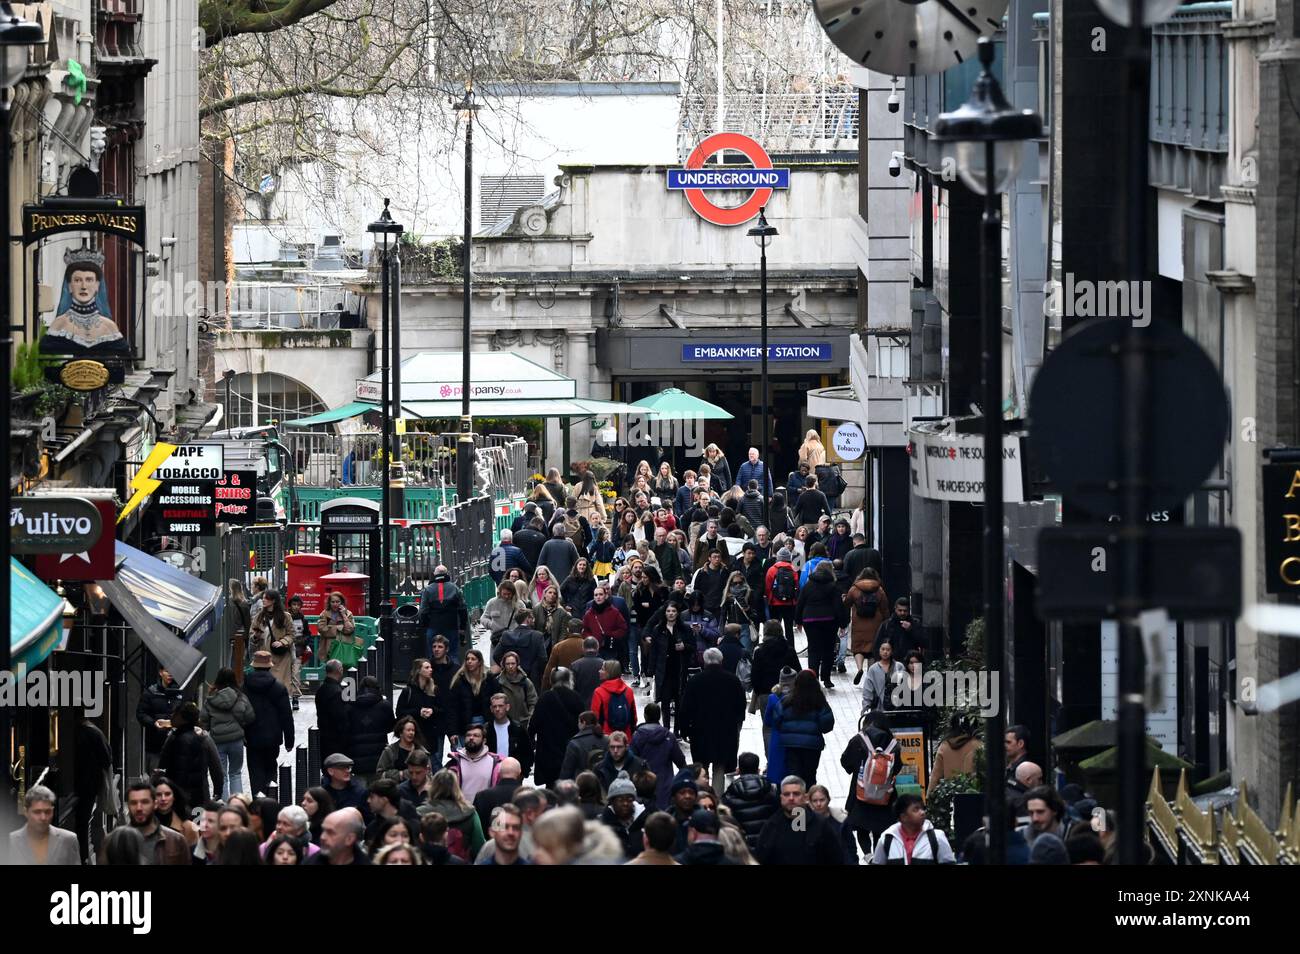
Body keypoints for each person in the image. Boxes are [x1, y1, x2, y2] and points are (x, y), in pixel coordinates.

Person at [678, 647, 747, 794]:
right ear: (721, 661)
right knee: (719, 767)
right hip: (725, 731)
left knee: (701, 766)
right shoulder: (732, 680)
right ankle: (716, 797)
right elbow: (740, 706)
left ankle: (702, 795)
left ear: (704, 661)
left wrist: (683, 729)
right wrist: (737, 724)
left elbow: (686, 707)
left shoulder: (695, 681)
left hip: (700, 731)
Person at [840, 712, 902, 856]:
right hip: (885, 795)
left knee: (862, 827)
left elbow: (845, 762)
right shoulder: (892, 743)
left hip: (861, 792)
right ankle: (879, 856)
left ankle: (868, 856)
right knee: (880, 829)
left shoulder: (858, 740)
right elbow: (897, 767)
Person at [752, 776, 847, 865]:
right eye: (786, 794)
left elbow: (836, 859)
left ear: (805, 797)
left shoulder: (820, 825)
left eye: (796, 794)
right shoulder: (771, 826)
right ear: (781, 798)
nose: (791, 798)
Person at [240, 651, 294, 796]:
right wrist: (290, 740)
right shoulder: (278, 687)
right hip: (273, 736)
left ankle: (257, 802)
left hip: (251, 736)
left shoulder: (245, 687)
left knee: (255, 769)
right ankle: (271, 797)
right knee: (271, 767)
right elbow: (286, 715)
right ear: (269, 666)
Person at [201, 667, 254, 800]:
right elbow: (250, 716)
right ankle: (238, 803)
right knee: (235, 773)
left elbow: (204, 721)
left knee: (222, 775)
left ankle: (224, 806)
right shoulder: (241, 697)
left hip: (217, 742)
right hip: (236, 741)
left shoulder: (211, 699)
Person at [157, 701, 221, 810]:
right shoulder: (205, 738)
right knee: (197, 825)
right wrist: (218, 791)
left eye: (174, 713)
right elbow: (216, 767)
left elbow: (162, 763)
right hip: (199, 797)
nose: (172, 716)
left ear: (182, 718)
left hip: (176, 798)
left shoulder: (173, 738)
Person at [529, 667, 585, 788]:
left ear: (551, 680)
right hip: (570, 749)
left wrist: (531, 743)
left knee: (551, 786)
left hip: (549, 750)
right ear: (569, 679)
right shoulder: (576, 698)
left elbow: (533, 724)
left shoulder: (545, 698)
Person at [798, 561, 848, 689]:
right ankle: (826, 679)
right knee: (828, 650)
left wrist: (798, 620)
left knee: (813, 650)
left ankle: (813, 679)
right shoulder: (832, 586)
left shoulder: (808, 586)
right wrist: (843, 623)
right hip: (828, 621)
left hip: (810, 621)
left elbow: (800, 603)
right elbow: (838, 606)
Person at [629, 702, 686, 810]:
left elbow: (631, 761)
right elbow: (681, 763)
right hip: (665, 788)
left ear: (645, 716)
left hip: (643, 788)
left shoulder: (637, 737)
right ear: (659, 716)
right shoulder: (668, 736)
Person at [118, 780, 189, 865]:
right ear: (127, 806)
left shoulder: (177, 840)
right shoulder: (115, 840)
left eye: (145, 802)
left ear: (155, 804)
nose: (139, 808)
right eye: (134, 803)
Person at [871, 793, 956, 864]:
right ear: (903, 817)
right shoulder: (887, 839)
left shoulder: (937, 837)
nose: (922, 812)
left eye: (922, 808)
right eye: (916, 810)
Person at [721, 752, 780, 852]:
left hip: (742, 848)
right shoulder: (771, 792)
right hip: (767, 845)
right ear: (758, 770)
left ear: (738, 771)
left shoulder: (729, 795)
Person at [7, 785, 80, 865]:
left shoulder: (69, 840)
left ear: (52, 811)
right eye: (37, 812)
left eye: (47, 812)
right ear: (26, 812)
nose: (43, 817)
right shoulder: (10, 841)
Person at [649, 602, 695, 732]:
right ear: (664, 613)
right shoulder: (658, 629)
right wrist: (649, 671)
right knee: (665, 701)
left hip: (679, 670)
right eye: (668, 611)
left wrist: (684, 647)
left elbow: (693, 647)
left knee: (680, 701)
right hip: (663, 671)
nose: (671, 613)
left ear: (677, 613)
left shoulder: (685, 628)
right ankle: (666, 728)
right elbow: (653, 651)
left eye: (673, 611)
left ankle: (677, 730)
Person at [422, 769, 485, 861]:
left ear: (433, 787)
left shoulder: (420, 812)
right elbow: (478, 846)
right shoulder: (470, 813)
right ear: (456, 788)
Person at [396, 658, 446, 764]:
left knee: (434, 767)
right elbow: (400, 713)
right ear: (419, 670)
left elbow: (442, 709)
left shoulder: (434, 689)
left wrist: (432, 711)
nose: (430, 670)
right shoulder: (408, 691)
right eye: (427, 667)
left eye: (430, 667)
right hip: (415, 736)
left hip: (432, 736)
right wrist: (418, 712)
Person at [845, 568, 890, 684]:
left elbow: (847, 603)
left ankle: (860, 669)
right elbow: (885, 607)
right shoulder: (879, 589)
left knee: (858, 648)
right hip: (875, 622)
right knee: (872, 650)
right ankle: (871, 674)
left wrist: (844, 599)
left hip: (859, 622)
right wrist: (887, 621)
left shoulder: (855, 588)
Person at [416, 566, 469, 663]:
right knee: (452, 653)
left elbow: (423, 611)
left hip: (433, 626)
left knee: (433, 654)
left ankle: (434, 675)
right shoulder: (455, 588)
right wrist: (462, 628)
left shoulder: (427, 590)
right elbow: (463, 609)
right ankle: (453, 676)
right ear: (447, 574)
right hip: (451, 626)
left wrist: (425, 625)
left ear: (434, 575)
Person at [348, 675, 394, 782]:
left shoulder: (351, 706)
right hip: (379, 755)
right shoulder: (384, 706)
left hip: (357, 755)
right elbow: (391, 726)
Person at [448, 651, 501, 745]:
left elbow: (498, 698)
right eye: (467, 659)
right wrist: (453, 731)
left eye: (473, 659)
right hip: (464, 724)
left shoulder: (489, 679)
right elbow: (453, 708)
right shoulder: (459, 681)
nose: (469, 661)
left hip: (486, 721)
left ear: (479, 661)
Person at [136, 665, 181, 773]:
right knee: (156, 777)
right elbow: (141, 713)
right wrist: (153, 723)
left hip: (176, 744)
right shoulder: (151, 692)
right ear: (161, 672)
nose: (170, 674)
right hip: (155, 744)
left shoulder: (180, 692)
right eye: (167, 671)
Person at [929, 713, 984, 795]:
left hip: (950, 797)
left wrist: (929, 798)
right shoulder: (979, 746)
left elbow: (935, 778)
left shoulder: (944, 747)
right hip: (973, 797)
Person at [599, 771, 648, 860]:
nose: (625, 803)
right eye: (620, 800)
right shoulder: (603, 825)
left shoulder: (645, 821)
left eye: (629, 799)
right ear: (612, 802)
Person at [471, 757, 523, 834]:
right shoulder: (528, 795)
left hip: (490, 841)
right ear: (519, 772)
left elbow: (476, 827)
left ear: (498, 773)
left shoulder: (482, 796)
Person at [485, 692, 534, 774]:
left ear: (507, 707)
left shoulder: (518, 728)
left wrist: (523, 772)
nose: (497, 709)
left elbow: (527, 752)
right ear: (491, 709)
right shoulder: (486, 729)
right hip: (491, 773)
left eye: (500, 706)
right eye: (494, 706)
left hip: (514, 773)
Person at [590, 659, 638, 740]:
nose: (599, 671)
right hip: (625, 737)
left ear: (609, 673)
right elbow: (634, 717)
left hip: (606, 737)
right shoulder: (628, 691)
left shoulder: (599, 692)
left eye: (602, 669)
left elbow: (595, 718)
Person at [305, 808, 370, 865]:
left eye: (330, 833)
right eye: (323, 830)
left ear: (349, 839)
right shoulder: (310, 862)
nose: (322, 837)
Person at [315, 659, 350, 762]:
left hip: (324, 736)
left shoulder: (321, 689)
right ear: (339, 670)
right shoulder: (337, 692)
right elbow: (340, 718)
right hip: (335, 740)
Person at [375, 716, 428, 782]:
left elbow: (429, 774)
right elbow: (380, 774)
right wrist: (400, 775)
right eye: (408, 730)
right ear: (401, 733)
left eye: (413, 730)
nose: (411, 733)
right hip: (395, 789)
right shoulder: (390, 751)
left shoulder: (421, 751)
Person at [320, 753, 371, 822]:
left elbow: (368, 818)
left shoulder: (360, 792)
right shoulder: (322, 793)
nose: (347, 771)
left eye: (348, 768)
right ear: (330, 771)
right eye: (342, 768)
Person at [559, 710, 609, 781]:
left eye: (579, 722)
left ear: (584, 723)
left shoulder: (574, 743)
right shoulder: (606, 739)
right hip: (603, 781)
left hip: (582, 783)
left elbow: (567, 770)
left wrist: (561, 785)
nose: (578, 724)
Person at [860, 639, 906, 713]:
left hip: (897, 707)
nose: (885, 652)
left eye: (888, 649)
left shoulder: (899, 666)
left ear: (892, 651)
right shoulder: (873, 669)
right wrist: (866, 706)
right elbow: (868, 689)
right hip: (878, 708)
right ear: (879, 650)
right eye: (883, 649)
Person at [765, 548, 800, 644]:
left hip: (775, 603)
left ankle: (775, 648)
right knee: (789, 629)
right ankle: (790, 649)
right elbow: (797, 586)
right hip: (790, 603)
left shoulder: (772, 570)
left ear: (778, 558)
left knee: (774, 629)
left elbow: (768, 587)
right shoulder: (794, 570)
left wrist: (770, 598)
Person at [315, 591, 357, 666]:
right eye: (333, 602)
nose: (335, 604)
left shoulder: (348, 613)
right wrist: (338, 628)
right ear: (329, 603)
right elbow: (322, 629)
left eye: (337, 602)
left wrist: (344, 615)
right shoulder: (324, 614)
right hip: (329, 648)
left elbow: (350, 629)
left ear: (342, 602)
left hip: (344, 647)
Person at [539, 519, 582, 585]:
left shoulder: (547, 544)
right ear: (564, 532)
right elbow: (578, 562)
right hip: (567, 581)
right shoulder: (569, 545)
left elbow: (540, 564)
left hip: (550, 581)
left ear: (553, 532)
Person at [570, 636, 607, 708]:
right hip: (600, 705)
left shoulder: (575, 665)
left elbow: (572, 688)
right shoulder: (605, 664)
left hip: (581, 706)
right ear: (597, 647)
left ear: (583, 648)